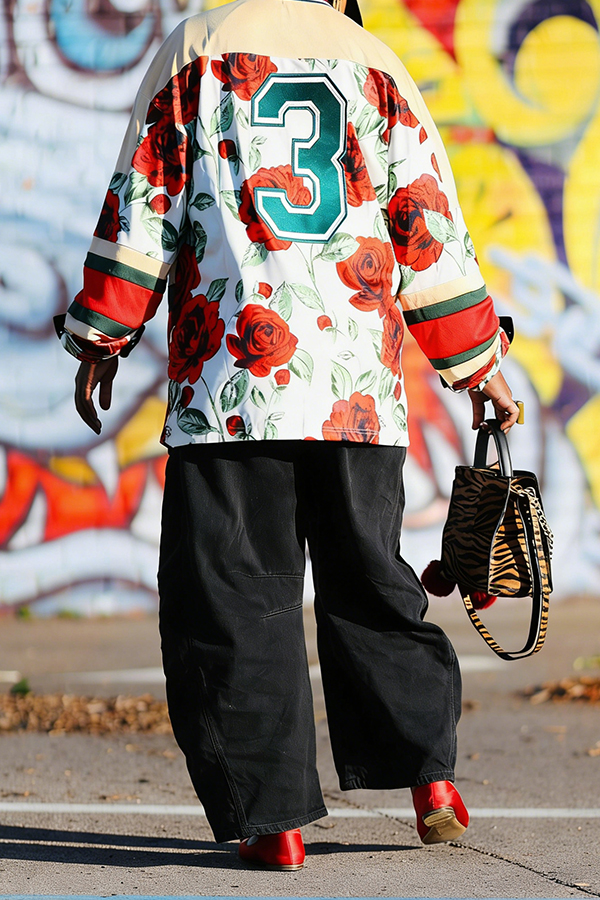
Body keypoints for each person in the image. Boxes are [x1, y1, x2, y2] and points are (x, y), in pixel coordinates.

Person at [56, 0, 519, 870]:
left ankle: (277, 826)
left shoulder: (195, 48)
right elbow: (427, 228)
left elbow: (145, 206)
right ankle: (431, 781)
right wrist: (478, 364)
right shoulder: (374, 58)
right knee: (372, 583)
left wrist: (100, 336)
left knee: (234, 599)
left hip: (231, 381)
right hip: (356, 389)